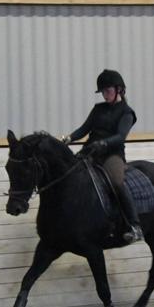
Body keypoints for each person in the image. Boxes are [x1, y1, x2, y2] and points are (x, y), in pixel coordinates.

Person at [60, 69, 143, 243]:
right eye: (103, 91)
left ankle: (135, 226)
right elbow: (84, 129)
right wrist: (69, 137)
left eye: (108, 91)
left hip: (111, 155)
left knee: (117, 182)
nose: (105, 95)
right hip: (90, 151)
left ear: (119, 90)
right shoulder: (98, 109)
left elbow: (121, 136)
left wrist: (104, 143)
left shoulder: (127, 113)